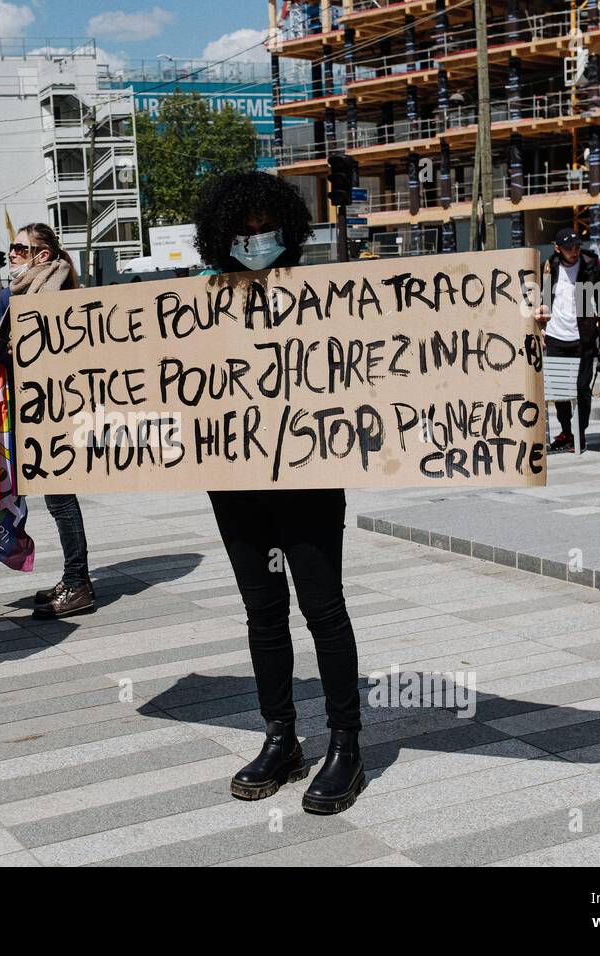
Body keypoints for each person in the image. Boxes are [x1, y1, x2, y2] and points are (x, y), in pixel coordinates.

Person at [192, 170, 364, 815]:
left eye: (268, 229)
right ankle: (281, 736)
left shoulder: (324, 295)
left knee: (323, 608)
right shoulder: (200, 302)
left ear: (289, 232)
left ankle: (346, 743)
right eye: (246, 230)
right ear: (222, 236)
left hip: (309, 477)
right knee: (262, 611)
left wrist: (522, 323)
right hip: (234, 481)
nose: (257, 240)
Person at [0, 223, 96, 618]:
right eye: (11, 247)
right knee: (57, 498)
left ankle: (79, 583)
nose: (11, 254)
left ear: (42, 256)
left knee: (61, 497)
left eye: (20, 248)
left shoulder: (51, 295)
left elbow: (47, 357)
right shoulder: (24, 292)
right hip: (35, 408)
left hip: (55, 411)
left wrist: (2, 351)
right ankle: (73, 577)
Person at [536, 226, 600, 452]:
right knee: (559, 391)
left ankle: (580, 434)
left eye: (578, 246)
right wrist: (540, 328)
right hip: (556, 338)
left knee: (582, 389)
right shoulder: (549, 269)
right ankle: (566, 433)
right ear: (558, 248)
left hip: (583, 338)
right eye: (569, 247)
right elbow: (540, 300)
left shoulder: (591, 268)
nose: (575, 251)